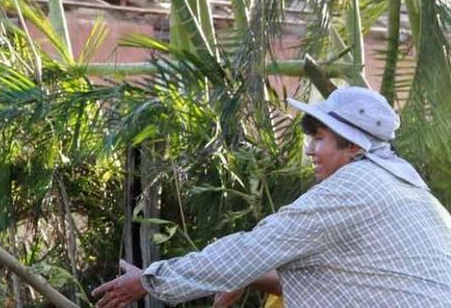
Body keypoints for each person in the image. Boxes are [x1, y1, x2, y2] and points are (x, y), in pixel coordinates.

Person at [91, 86, 451, 307]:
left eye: (320, 139)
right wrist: (239, 276)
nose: (310, 150)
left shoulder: (356, 187)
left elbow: (254, 247)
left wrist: (151, 280)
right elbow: (331, 278)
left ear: (354, 146)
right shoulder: (410, 189)